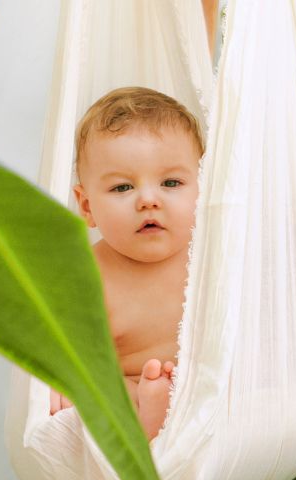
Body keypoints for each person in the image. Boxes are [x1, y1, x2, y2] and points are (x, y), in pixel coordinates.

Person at [49, 86, 204, 442]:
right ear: (86, 207)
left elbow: (276, 270)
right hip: (132, 385)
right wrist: (53, 380)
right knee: (103, 394)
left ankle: (164, 411)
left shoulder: (212, 253)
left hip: (208, 384)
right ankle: (151, 417)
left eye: (171, 182)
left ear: (203, 190)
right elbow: (54, 342)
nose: (149, 200)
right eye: (122, 188)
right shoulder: (85, 276)